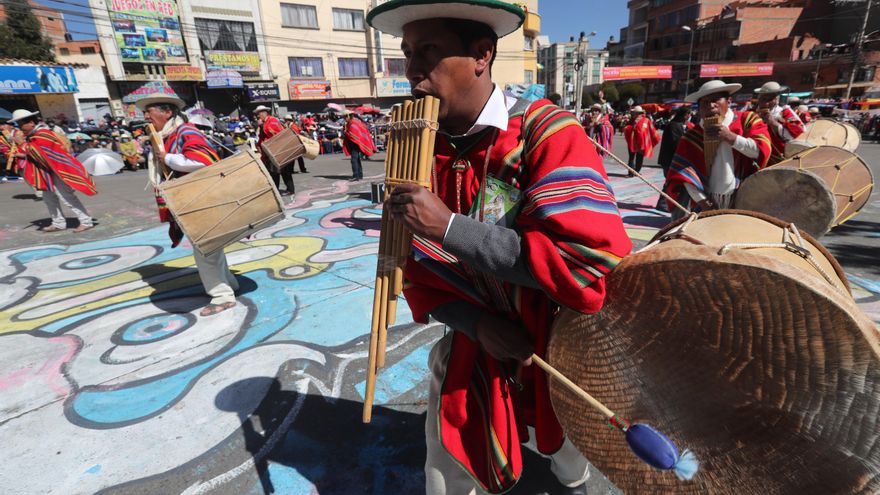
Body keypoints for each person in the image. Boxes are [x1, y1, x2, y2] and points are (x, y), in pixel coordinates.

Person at [367, 2, 633, 493]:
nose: (413, 70)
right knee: (446, 465)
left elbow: (587, 267)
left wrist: (449, 227)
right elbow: (418, 273)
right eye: (407, 54)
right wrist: (477, 324)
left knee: (571, 457)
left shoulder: (546, 133)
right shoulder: (419, 150)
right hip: (473, 341)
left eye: (428, 50)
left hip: (560, 339)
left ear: (481, 55)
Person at [138, 94, 239, 317]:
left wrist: (166, 158)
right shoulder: (168, 135)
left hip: (201, 199)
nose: (145, 116)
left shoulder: (186, 132)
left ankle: (222, 295)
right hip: (190, 199)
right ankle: (229, 284)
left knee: (205, 248)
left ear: (167, 112)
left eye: (150, 110)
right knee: (210, 247)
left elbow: (203, 161)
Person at [664, 80, 772, 218]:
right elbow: (684, 176)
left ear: (728, 101)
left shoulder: (747, 120)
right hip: (707, 201)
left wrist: (730, 137)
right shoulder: (692, 136)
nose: (711, 105)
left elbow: (760, 151)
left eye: (716, 99)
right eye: (704, 102)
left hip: (743, 196)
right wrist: (703, 202)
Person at [10, 109, 96, 232]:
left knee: (66, 196)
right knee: (49, 198)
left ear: (31, 123)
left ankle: (86, 221)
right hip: (44, 172)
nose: (20, 128)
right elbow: (36, 154)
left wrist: (23, 146)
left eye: (21, 125)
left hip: (58, 170)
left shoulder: (43, 134)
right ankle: (58, 222)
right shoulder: (32, 135)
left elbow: (42, 153)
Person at [754, 81, 804, 164]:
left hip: (777, 160)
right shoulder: (751, 113)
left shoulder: (785, 112)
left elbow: (795, 136)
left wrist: (773, 123)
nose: (766, 103)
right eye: (763, 99)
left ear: (776, 99)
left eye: (769, 99)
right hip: (755, 158)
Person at [255, 105, 294, 195]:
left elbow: (274, 133)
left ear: (264, 113)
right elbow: (262, 137)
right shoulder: (264, 122)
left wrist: (262, 126)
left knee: (282, 171)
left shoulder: (272, 120)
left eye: (259, 114)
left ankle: (289, 190)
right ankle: (276, 189)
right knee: (273, 172)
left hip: (278, 149)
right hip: (269, 150)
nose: (257, 116)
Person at [658, 106, 692, 177]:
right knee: (671, 182)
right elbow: (676, 143)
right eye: (689, 114)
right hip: (670, 160)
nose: (689, 117)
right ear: (685, 115)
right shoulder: (674, 125)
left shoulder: (677, 124)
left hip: (672, 160)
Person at [342, 111, 376, 181]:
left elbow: (353, 134)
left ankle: (356, 176)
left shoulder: (353, 123)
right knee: (357, 159)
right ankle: (360, 175)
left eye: (345, 117)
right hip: (355, 142)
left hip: (355, 143)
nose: (344, 119)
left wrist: (346, 132)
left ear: (348, 116)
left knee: (354, 160)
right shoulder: (353, 122)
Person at [627, 106, 658, 176]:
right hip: (635, 143)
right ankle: (634, 172)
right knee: (635, 158)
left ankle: (633, 172)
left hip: (639, 143)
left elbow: (651, 130)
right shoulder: (632, 120)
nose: (634, 114)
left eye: (635, 113)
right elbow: (626, 129)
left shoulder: (646, 120)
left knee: (636, 158)